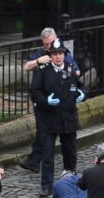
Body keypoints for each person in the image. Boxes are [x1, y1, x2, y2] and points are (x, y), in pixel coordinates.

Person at [30, 42, 84, 197]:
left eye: (61, 53)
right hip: (49, 119)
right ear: (50, 56)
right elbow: (34, 91)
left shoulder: (71, 68)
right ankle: (46, 186)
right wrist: (45, 101)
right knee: (47, 155)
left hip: (68, 118)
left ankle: (71, 182)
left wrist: (83, 94)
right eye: (55, 54)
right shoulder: (43, 70)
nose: (58, 56)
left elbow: (81, 86)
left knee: (70, 153)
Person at [21, 28, 78, 173]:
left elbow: (75, 71)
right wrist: (39, 61)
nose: (49, 47)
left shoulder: (61, 53)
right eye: (46, 44)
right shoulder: (40, 53)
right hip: (42, 99)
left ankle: (35, 160)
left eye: (51, 43)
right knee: (43, 131)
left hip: (61, 102)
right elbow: (27, 67)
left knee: (56, 136)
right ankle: (35, 161)